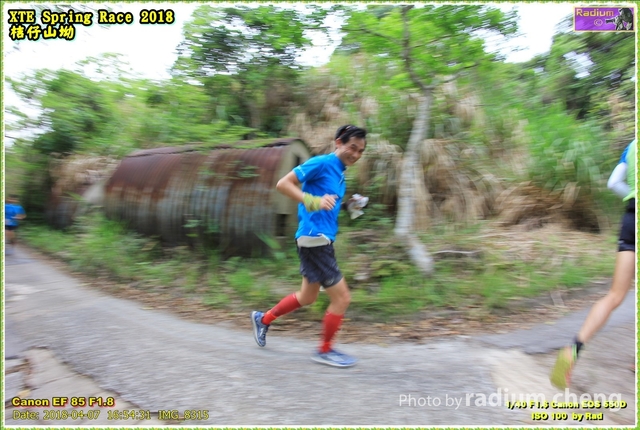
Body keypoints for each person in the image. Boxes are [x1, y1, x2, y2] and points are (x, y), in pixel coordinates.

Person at [251, 125, 367, 368]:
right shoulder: (322, 163)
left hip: (319, 238)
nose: (356, 154)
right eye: (352, 147)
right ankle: (324, 350)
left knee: (307, 296)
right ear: (339, 142)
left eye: (360, 151)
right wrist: (313, 201)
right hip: (315, 239)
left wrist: (350, 206)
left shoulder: (339, 173)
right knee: (342, 298)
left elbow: (327, 204)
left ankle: (263, 319)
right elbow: (284, 184)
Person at [550, 139, 636, 389]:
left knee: (614, 295)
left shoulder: (632, 146)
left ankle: (573, 349)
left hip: (631, 218)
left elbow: (613, 183)